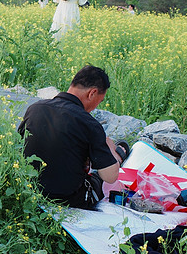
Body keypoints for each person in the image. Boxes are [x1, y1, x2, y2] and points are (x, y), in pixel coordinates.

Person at [18, 65, 122, 210]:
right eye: (100, 100)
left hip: (28, 188)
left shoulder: (35, 108)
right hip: (68, 198)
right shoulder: (89, 123)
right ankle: (119, 154)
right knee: (99, 178)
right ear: (92, 93)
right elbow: (110, 177)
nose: (96, 106)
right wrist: (110, 148)